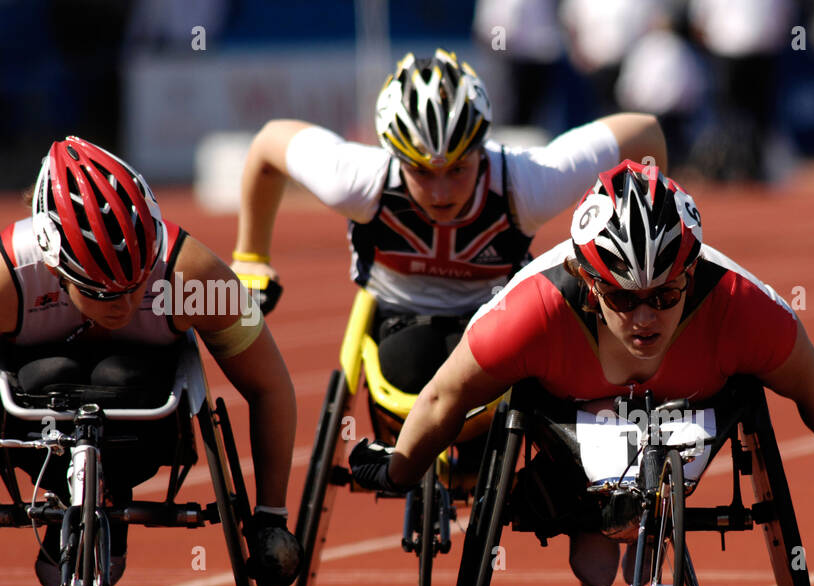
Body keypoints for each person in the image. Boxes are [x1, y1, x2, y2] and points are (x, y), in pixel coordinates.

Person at [349, 159, 814, 586]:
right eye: (622, 299)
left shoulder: (741, 304)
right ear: (587, 283)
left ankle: (641, 516)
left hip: (694, 417)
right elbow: (446, 395)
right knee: (595, 565)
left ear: (692, 272)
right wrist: (401, 472)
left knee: (603, 559)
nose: (644, 319)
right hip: (568, 425)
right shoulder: (531, 311)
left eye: (665, 296)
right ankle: (598, 516)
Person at [230, 48, 666, 441]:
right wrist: (250, 258)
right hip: (399, 324)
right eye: (422, 171)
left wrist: (650, 229)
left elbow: (644, 131)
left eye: (457, 169)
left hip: (497, 320)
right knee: (413, 362)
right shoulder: (359, 180)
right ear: (396, 157)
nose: (440, 192)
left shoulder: (527, 181)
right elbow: (269, 144)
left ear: (482, 150)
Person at [0, 137, 300, 586]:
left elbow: (269, 386)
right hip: (34, 423)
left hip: (145, 421)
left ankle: (112, 485)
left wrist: (271, 517)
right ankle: (67, 490)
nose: (125, 304)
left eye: (139, 284)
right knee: (49, 374)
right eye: (101, 293)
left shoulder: (192, 276)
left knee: (121, 376)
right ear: (54, 267)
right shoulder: (9, 279)